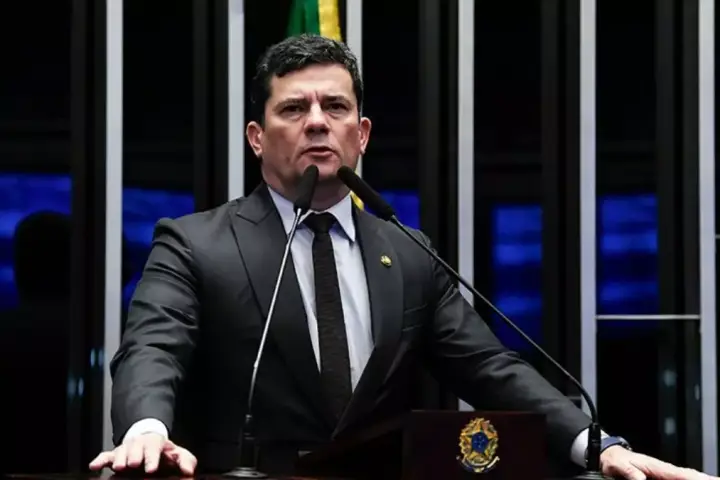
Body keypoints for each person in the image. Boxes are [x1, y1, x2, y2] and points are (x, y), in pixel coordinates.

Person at [90, 34, 713, 480]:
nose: (317, 123)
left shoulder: (407, 252)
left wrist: (596, 444)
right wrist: (147, 428)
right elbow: (153, 348)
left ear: (360, 134)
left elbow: (489, 367)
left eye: (335, 107)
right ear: (257, 138)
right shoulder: (196, 242)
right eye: (294, 109)